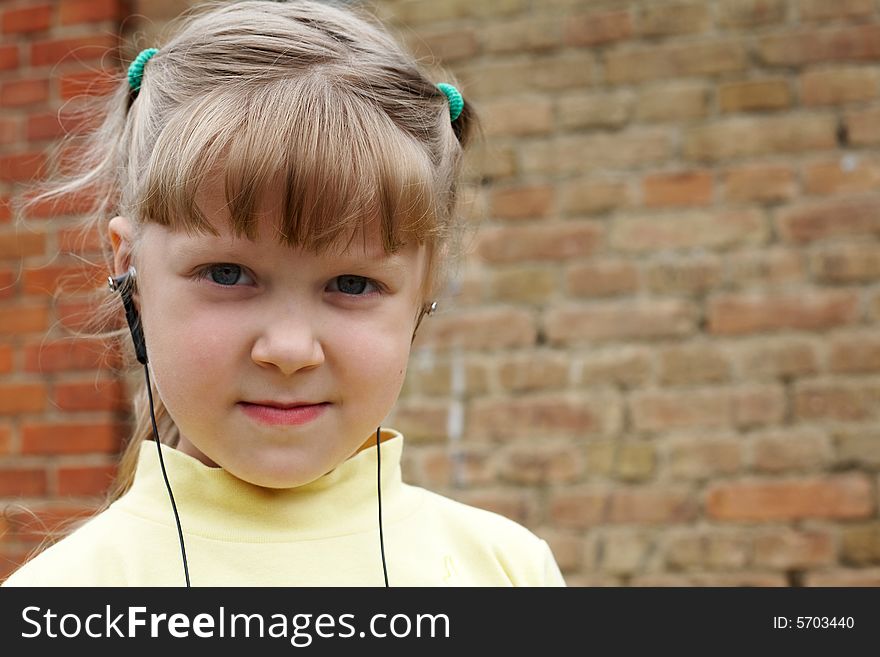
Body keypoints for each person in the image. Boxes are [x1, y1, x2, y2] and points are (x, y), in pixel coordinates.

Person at [2, 0, 565, 587]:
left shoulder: (508, 571)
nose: (290, 349)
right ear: (131, 272)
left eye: (352, 284)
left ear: (422, 289)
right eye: (227, 274)